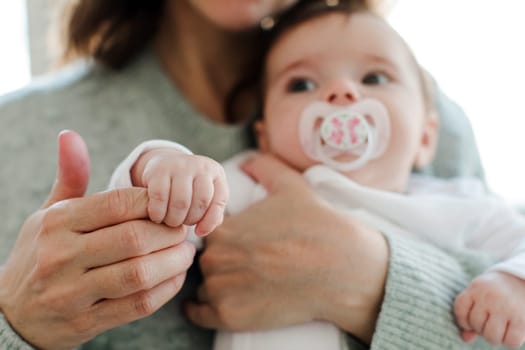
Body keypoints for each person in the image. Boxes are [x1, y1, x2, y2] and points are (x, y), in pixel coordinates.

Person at [0, 0, 496, 349]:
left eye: (373, 78)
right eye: (301, 84)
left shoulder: (430, 121)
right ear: (263, 131)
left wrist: (370, 283)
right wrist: (17, 326)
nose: (345, 94)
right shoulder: (15, 130)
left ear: (425, 134)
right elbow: (173, 206)